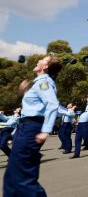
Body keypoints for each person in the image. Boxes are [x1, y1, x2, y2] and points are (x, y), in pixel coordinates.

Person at [3, 56, 62, 196]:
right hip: (25, 128)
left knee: (23, 178)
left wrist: (46, 130)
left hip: (31, 129)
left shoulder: (44, 82)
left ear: (45, 67)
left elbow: (52, 104)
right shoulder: (37, 83)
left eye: (42, 59)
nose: (38, 60)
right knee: (11, 176)